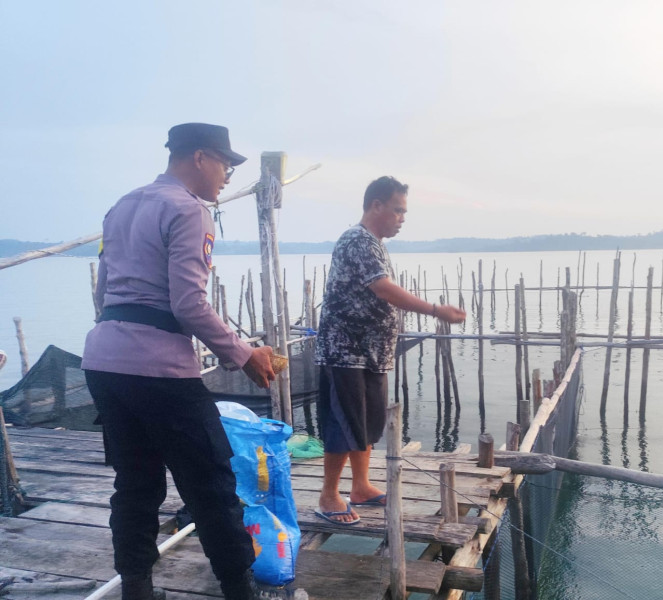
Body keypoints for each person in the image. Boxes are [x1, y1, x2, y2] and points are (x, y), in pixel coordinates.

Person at [82, 123, 277, 600]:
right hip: (159, 370)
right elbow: (188, 303)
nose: (228, 176)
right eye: (225, 164)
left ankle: (137, 588)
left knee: (135, 482)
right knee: (210, 485)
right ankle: (240, 590)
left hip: (104, 361)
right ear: (199, 158)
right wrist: (243, 354)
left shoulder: (120, 206)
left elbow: (105, 292)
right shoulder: (190, 211)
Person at [314, 176, 466, 525]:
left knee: (367, 423)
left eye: (404, 212)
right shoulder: (358, 239)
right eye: (397, 209)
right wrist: (434, 310)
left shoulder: (375, 243)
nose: (402, 217)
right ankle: (329, 495)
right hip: (345, 352)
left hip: (371, 353)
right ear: (376, 205)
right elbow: (383, 289)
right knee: (342, 424)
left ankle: (362, 487)